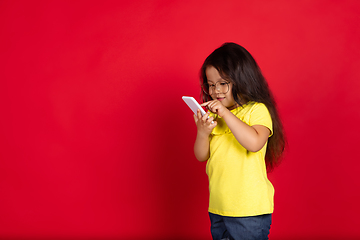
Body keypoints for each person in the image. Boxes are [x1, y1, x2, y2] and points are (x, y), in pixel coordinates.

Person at [193, 42, 286, 240]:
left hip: (248, 209)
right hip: (219, 207)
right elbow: (202, 155)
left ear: (241, 79)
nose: (216, 90)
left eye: (223, 83)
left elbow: (254, 143)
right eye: (210, 84)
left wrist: (226, 114)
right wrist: (202, 132)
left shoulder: (256, 110)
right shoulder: (215, 116)